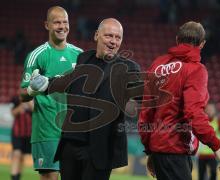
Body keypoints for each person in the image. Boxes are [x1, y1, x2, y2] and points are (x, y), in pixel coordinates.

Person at [27, 18, 142, 180]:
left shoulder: (129, 68)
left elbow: (140, 98)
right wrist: (45, 84)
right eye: (109, 36)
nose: (113, 42)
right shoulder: (83, 58)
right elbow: (68, 81)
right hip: (70, 145)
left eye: (118, 38)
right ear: (96, 35)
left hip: (100, 149)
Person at [138, 21, 220, 180]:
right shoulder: (196, 69)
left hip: (160, 149)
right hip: (176, 147)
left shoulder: (157, 65)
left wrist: (150, 149)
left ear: (177, 39)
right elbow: (193, 112)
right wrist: (217, 146)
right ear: (202, 44)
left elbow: (146, 111)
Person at [20, 6, 83, 180]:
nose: (62, 26)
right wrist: (32, 89)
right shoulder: (37, 55)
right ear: (47, 25)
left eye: (65, 22)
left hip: (74, 131)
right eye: (57, 22)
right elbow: (22, 94)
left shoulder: (80, 55)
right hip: (47, 131)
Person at [10, 94, 33, 180]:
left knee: (22, 157)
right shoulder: (16, 99)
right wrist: (21, 105)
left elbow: (35, 111)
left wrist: (29, 102)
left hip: (28, 134)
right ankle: (14, 177)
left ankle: (17, 176)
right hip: (17, 133)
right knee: (17, 154)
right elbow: (13, 113)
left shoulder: (34, 99)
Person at [197, 102, 220, 180]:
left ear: (215, 110)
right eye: (208, 109)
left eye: (212, 109)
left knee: (214, 173)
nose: (210, 111)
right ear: (205, 110)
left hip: (212, 154)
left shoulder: (218, 122)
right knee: (201, 175)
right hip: (201, 154)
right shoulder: (202, 122)